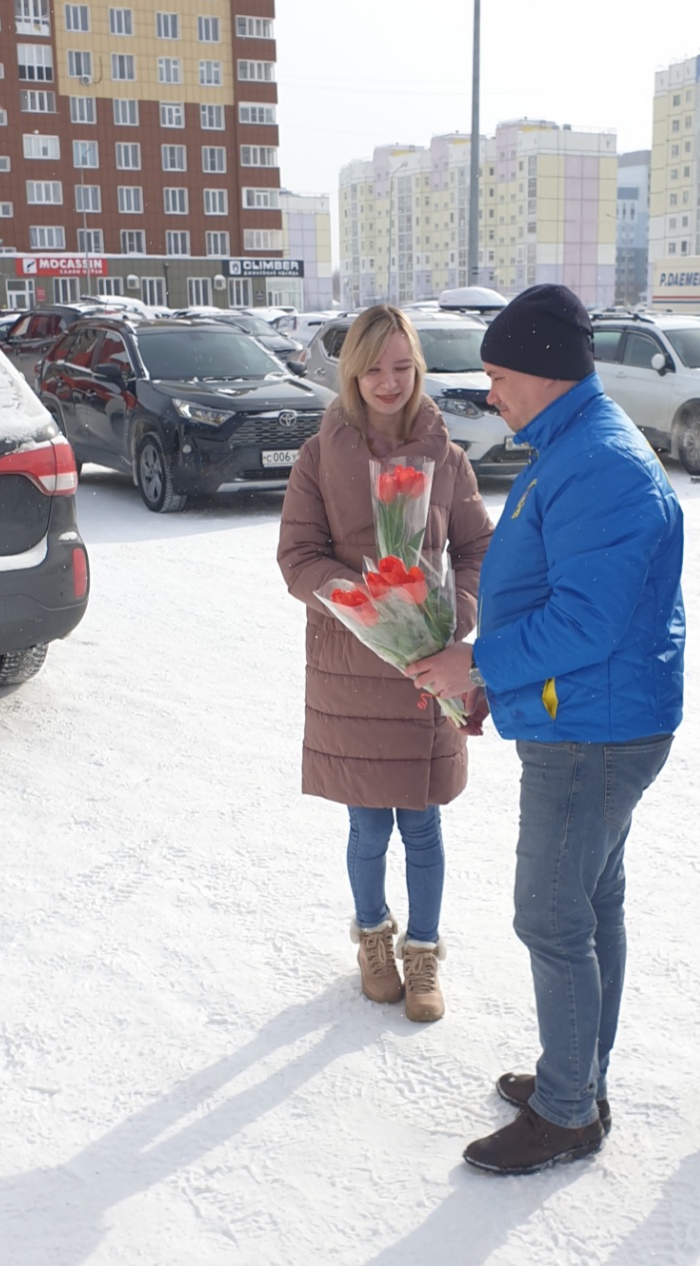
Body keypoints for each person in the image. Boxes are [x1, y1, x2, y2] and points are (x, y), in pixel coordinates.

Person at [409, 284, 685, 1173]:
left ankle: (568, 1112)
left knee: (553, 916)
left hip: (593, 731)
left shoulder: (600, 464)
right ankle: (578, 1078)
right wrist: (497, 678)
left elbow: (587, 623)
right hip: (589, 714)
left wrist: (478, 663)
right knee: (591, 904)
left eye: (499, 376)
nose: (491, 393)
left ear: (546, 370)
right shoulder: (573, 445)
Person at [277, 305, 494, 1022]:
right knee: (369, 826)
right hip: (352, 665)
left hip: (425, 666)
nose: (389, 381)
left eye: (403, 366)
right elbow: (298, 556)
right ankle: (373, 938)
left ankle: (423, 951)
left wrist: (452, 614)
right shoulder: (319, 456)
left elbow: (477, 549)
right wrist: (368, 603)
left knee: (423, 826)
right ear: (352, 373)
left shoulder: (448, 458)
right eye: (374, 368)